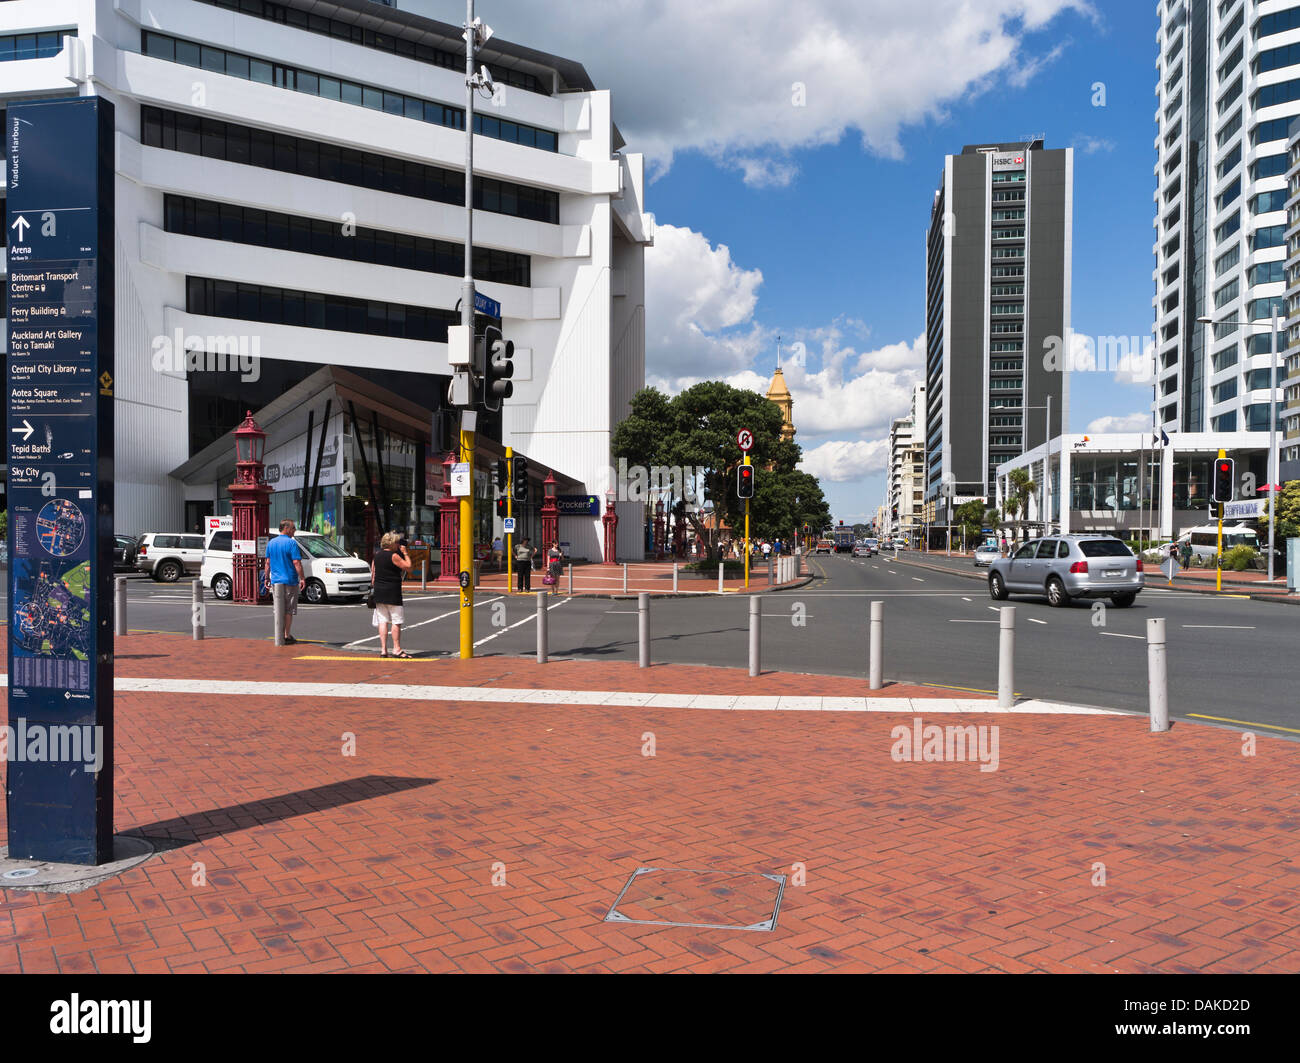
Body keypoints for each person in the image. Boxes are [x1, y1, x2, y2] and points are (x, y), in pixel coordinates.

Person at [371, 531, 412, 657]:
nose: (398, 544)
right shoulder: (394, 556)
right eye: (397, 542)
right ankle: (397, 648)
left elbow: (373, 575)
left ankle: (383, 650)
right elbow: (409, 567)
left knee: (382, 620)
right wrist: (405, 553)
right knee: (396, 621)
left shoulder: (376, 556)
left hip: (379, 591)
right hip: (392, 591)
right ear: (392, 543)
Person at [264, 519, 305, 644]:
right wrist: (302, 578)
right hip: (290, 581)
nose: (294, 530)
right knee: (288, 610)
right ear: (286, 528)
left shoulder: (271, 543)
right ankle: (286, 635)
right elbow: (296, 562)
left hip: (276, 581)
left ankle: (278, 634)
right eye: (293, 528)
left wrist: (266, 578)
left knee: (278, 608)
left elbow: (267, 563)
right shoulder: (291, 544)